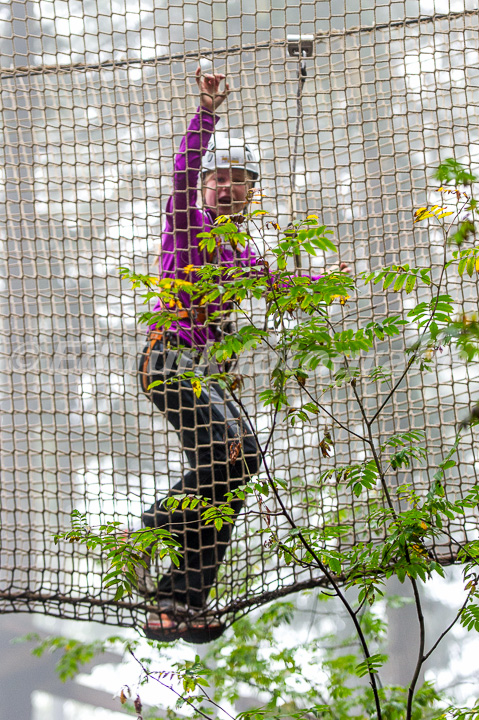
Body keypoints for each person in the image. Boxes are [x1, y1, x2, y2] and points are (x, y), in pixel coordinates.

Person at [138, 67, 262, 644]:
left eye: (241, 180)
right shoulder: (189, 226)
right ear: (207, 187)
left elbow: (280, 281)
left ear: (251, 192)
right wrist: (206, 114)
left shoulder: (240, 248)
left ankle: (178, 599)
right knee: (233, 455)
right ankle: (152, 529)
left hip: (201, 374)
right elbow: (184, 173)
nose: (229, 188)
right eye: (221, 178)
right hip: (169, 360)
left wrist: (328, 280)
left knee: (238, 469)